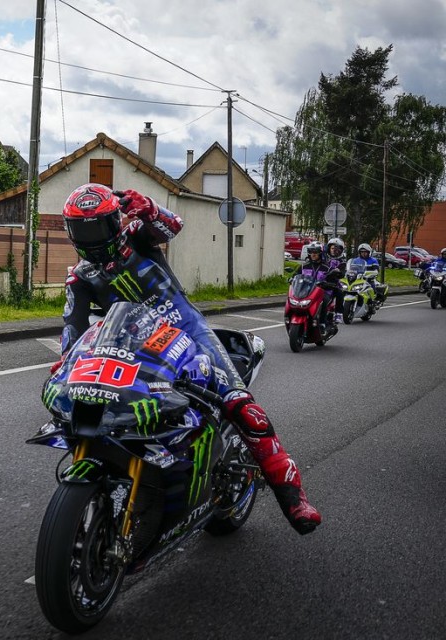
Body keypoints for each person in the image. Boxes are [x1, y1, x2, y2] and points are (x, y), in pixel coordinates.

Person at [58, 183, 321, 535]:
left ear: (115, 220)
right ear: (70, 231)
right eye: (81, 229)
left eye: (97, 226)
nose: (90, 237)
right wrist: (66, 362)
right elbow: (72, 325)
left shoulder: (136, 234)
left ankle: (293, 497)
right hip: (133, 343)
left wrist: (148, 207)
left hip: (187, 331)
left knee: (243, 407)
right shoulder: (79, 276)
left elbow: (173, 225)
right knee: (103, 406)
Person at [297, 241, 343, 327]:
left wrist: (330, 282)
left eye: (315, 252)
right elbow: (296, 276)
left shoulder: (326, 267)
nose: (313, 254)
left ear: (320, 253)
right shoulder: (304, 266)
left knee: (323, 301)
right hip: (306, 292)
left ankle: (322, 323)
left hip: (322, 292)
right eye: (311, 252)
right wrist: (291, 279)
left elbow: (334, 280)